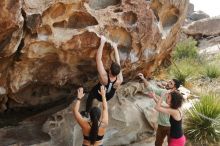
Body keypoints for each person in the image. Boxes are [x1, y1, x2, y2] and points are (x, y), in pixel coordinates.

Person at [83, 36, 123, 116]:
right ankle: (88, 111)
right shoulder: (120, 79)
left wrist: (102, 42)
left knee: (91, 95)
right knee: (106, 91)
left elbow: (98, 59)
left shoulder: (104, 76)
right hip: (108, 96)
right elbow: (118, 61)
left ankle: (87, 112)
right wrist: (115, 47)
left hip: (99, 94)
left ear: (110, 70)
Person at [137, 73, 181, 146]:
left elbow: (162, 106)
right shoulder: (164, 92)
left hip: (171, 126)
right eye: (169, 82)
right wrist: (143, 78)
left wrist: (154, 97)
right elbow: (151, 88)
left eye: (171, 83)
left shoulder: (176, 99)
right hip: (161, 124)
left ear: (175, 87)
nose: (168, 83)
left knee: (171, 144)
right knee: (157, 143)